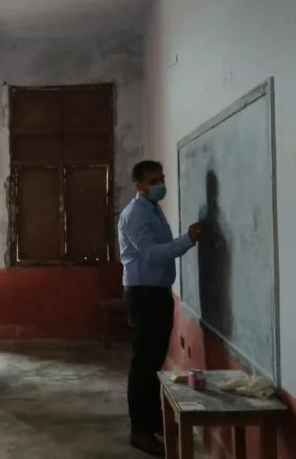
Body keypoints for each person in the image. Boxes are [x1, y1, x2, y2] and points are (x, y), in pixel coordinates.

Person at [118, 160, 206, 457]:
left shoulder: (153, 209)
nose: (160, 185)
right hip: (144, 296)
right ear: (139, 186)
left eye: (161, 178)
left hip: (156, 294)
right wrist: (188, 240)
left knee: (153, 362)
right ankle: (140, 431)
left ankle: (153, 418)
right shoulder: (136, 214)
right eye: (153, 181)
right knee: (143, 364)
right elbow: (152, 254)